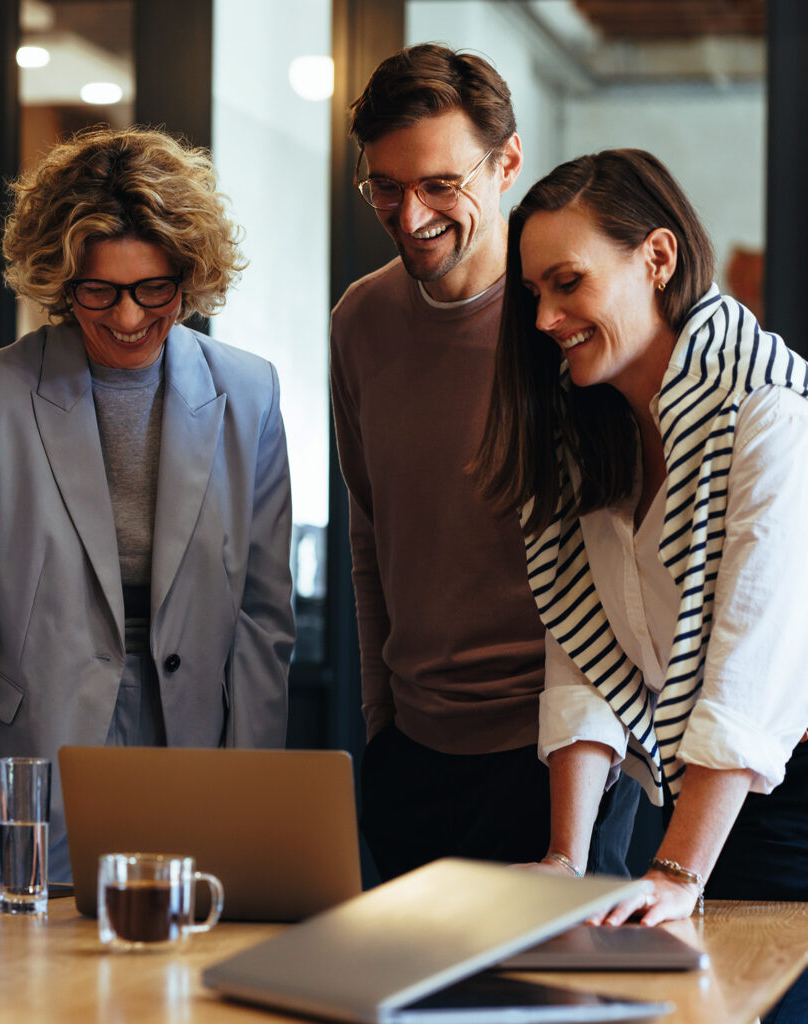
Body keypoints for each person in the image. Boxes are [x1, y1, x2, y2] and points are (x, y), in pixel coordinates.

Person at [0, 127, 295, 882]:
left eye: (154, 289)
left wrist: (252, 790)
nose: (125, 318)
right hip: (31, 751)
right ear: (59, 279)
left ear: (191, 275)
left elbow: (262, 618)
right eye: (98, 292)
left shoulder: (250, 394)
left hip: (190, 743)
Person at [475, 148, 808, 924]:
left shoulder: (770, 412)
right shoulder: (591, 431)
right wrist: (568, 857)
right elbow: (581, 649)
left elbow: (749, 665)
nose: (545, 320)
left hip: (785, 802)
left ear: (658, 257)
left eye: (569, 283)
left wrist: (675, 871)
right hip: (697, 796)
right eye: (533, 293)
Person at [330, 43, 639, 882]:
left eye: (439, 184)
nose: (411, 215)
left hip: (560, 759)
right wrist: (378, 722)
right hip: (412, 757)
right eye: (385, 188)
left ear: (507, 162)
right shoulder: (359, 320)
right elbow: (371, 538)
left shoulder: (569, 321)